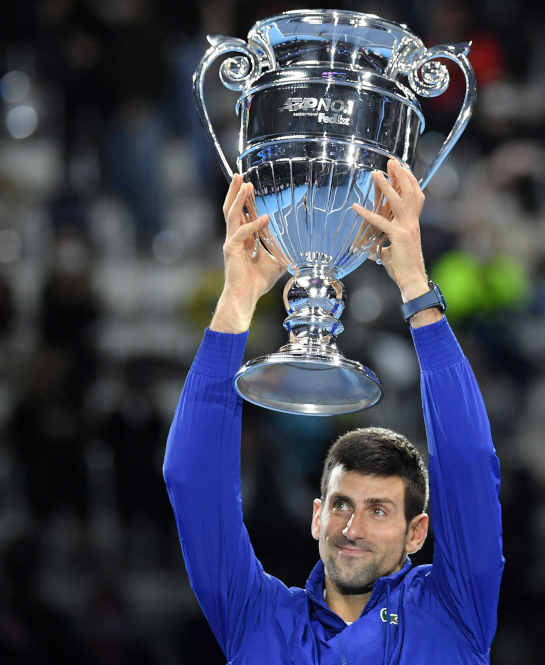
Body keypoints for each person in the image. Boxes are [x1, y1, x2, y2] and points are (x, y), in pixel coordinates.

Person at [163, 160, 504, 663]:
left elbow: (469, 462)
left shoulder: (453, 611)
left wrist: (415, 287)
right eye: (342, 504)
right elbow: (191, 479)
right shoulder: (258, 618)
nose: (353, 527)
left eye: (379, 510)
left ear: (417, 533)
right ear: (317, 516)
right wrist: (237, 300)